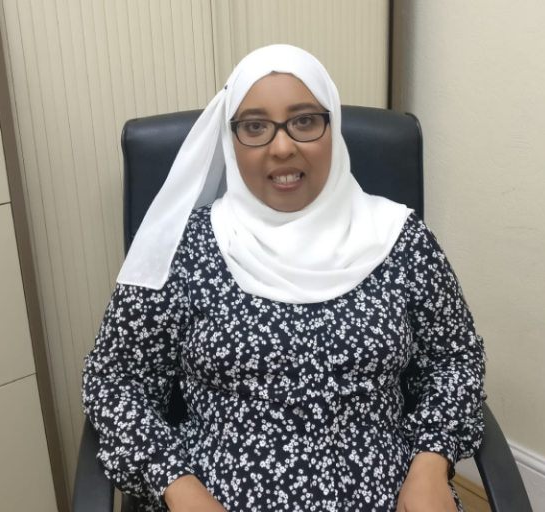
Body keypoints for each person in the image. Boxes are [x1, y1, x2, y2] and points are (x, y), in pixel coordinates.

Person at [82, 44, 487, 512]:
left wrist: (430, 465)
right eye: (255, 126)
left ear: (331, 126)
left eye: (304, 121)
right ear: (230, 139)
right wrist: (179, 487)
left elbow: (454, 359)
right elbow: (115, 380)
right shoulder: (181, 248)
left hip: (390, 495)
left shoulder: (400, 238)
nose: (281, 146)